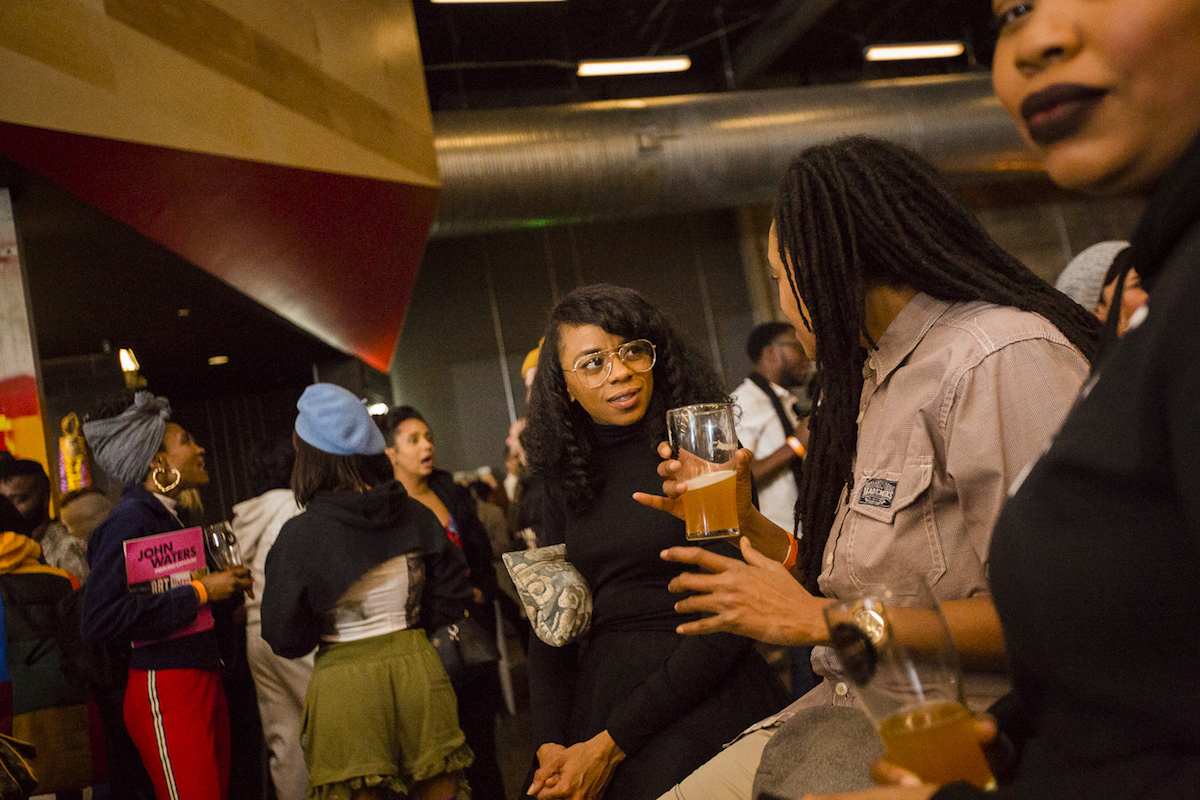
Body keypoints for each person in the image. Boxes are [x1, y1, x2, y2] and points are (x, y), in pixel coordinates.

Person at [634, 136, 1101, 800]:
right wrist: (747, 524)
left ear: (823, 265)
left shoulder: (994, 358)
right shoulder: (869, 378)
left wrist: (827, 623)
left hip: (958, 730)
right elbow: (860, 576)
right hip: (846, 709)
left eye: (777, 277)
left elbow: (1065, 617)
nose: (781, 305)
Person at [810, 3, 1200, 798]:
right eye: (1011, 14)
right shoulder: (1170, 284)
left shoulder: (997, 350)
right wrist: (1019, 738)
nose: (1036, 42)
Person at [521, 283, 789, 800]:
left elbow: (733, 614)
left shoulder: (701, 445)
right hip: (600, 694)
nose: (619, 371)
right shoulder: (561, 474)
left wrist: (612, 743)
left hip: (701, 685)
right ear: (565, 387)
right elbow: (551, 623)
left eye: (632, 351)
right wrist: (549, 745)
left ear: (656, 357)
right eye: (593, 363)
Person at [261, 384, 474, 800]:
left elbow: (285, 636)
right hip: (419, 668)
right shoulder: (414, 513)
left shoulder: (299, 536)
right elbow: (453, 590)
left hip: (345, 685)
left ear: (309, 458)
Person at [80, 391, 253, 800]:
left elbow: (162, 599)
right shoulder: (130, 521)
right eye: (186, 441)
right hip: (167, 686)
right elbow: (99, 618)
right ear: (158, 462)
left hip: (200, 677)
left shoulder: (167, 517)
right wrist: (201, 590)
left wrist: (223, 595)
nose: (200, 448)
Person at [376, 406, 507, 800]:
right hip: (426, 640)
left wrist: (481, 592)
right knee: (442, 758)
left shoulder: (449, 490)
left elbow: (480, 552)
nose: (426, 446)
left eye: (428, 437)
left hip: (472, 629)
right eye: (413, 440)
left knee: (483, 746)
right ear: (391, 453)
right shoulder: (388, 507)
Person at [230, 437, 309, 800]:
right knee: (329, 724)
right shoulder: (294, 507)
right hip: (292, 631)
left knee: (286, 739)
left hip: (255, 634)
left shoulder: (248, 516)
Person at [0, 453, 89, 580]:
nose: (9, 508)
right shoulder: (10, 548)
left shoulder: (66, 549)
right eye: (4, 501)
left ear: (45, 500)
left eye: (19, 500)